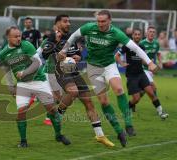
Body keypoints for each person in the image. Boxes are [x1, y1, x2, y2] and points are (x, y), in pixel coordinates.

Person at [58, 10, 157, 147]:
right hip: (93, 68)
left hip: (109, 66)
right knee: (104, 102)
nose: (100, 24)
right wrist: (64, 50)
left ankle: (128, 124)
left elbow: (134, 47)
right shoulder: (89, 27)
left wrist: (149, 62)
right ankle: (119, 131)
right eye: (98, 21)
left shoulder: (116, 33)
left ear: (110, 20)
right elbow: (74, 36)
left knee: (119, 89)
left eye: (103, 21)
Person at [38, 14, 114, 147]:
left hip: (73, 71)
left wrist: (77, 56)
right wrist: (54, 42)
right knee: (73, 92)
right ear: (57, 24)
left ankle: (100, 135)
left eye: (69, 21)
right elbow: (44, 54)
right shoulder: (51, 37)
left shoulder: (71, 37)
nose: (68, 23)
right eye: (65, 21)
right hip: (58, 71)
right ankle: (58, 114)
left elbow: (77, 53)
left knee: (89, 102)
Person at [0, 26, 70, 148]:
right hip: (22, 85)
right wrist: (10, 86)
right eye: (15, 36)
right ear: (8, 37)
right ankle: (23, 141)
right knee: (21, 112)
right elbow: (6, 69)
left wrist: (24, 72)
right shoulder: (3, 53)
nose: (18, 39)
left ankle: (58, 135)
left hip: (39, 81)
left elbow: (37, 63)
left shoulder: (26, 45)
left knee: (52, 110)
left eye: (19, 36)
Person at [115, 28, 169, 120]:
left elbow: (143, 60)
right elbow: (117, 56)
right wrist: (121, 63)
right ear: (132, 36)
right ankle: (128, 107)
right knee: (136, 99)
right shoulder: (127, 46)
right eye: (135, 34)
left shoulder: (142, 47)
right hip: (132, 75)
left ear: (141, 36)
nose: (137, 36)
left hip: (141, 73)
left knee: (151, 92)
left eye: (138, 34)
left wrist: (151, 66)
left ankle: (161, 112)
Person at [140, 26, 162, 96]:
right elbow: (138, 58)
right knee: (153, 87)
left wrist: (160, 62)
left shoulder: (156, 44)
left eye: (153, 32)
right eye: (150, 32)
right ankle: (158, 106)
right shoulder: (142, 43)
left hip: (151, 70)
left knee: (144, 90)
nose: (152, 33)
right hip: (142, 69)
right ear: (146, 33)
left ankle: (132, 103)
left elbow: (158, 53)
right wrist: (148, 63)